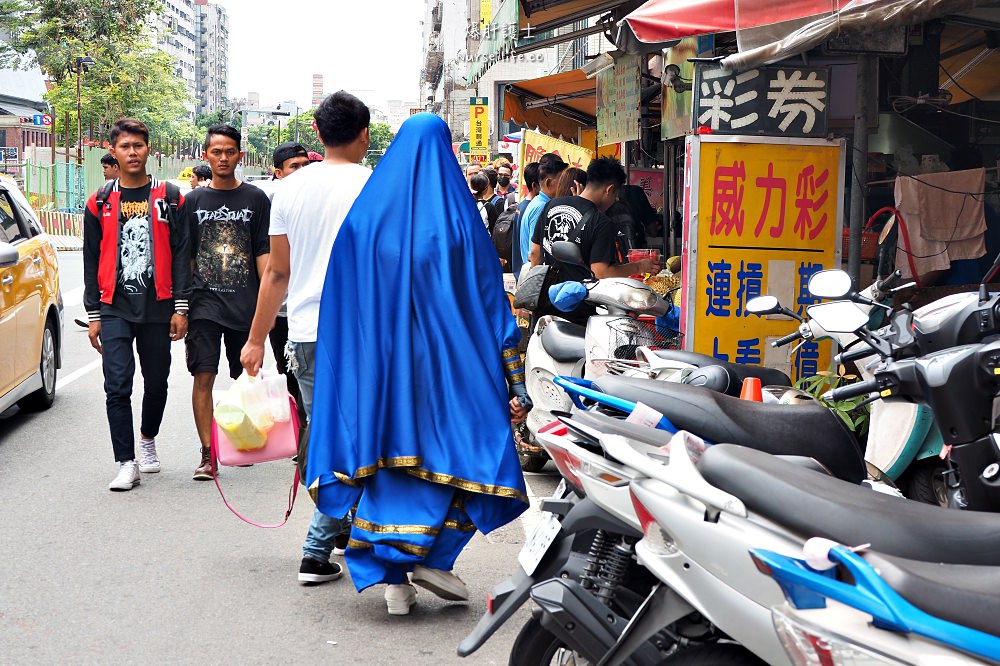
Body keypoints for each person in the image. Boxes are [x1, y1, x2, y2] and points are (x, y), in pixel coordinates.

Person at [304, 112, 530, 616]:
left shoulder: (363, 221)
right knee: (463, 454)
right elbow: (493, 303)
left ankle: (395, 582)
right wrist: (513, 379)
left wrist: (354, 373)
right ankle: (432, 556)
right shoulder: (458, 220)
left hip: (382, 375)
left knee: (386, 465)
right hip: (450, 371)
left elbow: (341, 305)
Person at [240, 91, 371, 587]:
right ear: (364, 135)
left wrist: (256, 340)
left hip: (309, 333)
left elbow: (276, 273)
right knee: (358, 438)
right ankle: (318, 549)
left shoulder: (288, 191)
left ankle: (344, 534)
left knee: (333, 434)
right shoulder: (376, 186)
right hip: (364, 333)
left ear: (318, 135)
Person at [83, 118, 190, 491]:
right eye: (125, 146)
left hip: (158, 304)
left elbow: (180, 253)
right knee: (117, 385)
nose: (132, 152)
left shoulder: (171, 197)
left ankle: (147, 439)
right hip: (114, 306)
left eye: (138, 146)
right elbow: (91, 257)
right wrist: (94, 312)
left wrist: (181, 307)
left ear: (148, 149)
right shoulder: (100, 201)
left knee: (157, 381)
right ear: (112, 150)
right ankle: (125, 462)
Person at [184, 124, 271, 480]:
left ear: (239, 155)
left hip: (245, 305)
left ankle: (241, 440)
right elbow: (185, 257)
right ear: (205, 155)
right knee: (203, 375)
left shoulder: (255, 199)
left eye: (229, 151)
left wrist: (270, 303)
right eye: (216, 152)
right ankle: (208, 454)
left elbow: (263, 253)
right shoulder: (192, 202)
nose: (223, 158)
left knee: (244, 378)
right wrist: (182, 305)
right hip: (203, 304)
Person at [529, 158, 661, 324]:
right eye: (615, 195)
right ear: (610, 190)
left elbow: (534, 253)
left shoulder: (551, 205)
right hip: (577, 309)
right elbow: (601, 272)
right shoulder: (601, 222)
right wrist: (639, 266)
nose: (614, 201)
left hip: (546, 303)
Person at [518, 153, 567, 272]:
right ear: (549, 183)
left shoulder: (537, 202)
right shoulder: (542, 207)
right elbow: (534, 252)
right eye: (562, 181)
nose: (565, 186)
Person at [511, 161, 539, 275]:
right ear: (535, 185)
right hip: (528, 272)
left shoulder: (522, 205)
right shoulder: (535, 207)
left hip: (520, 270)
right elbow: (533, 252)